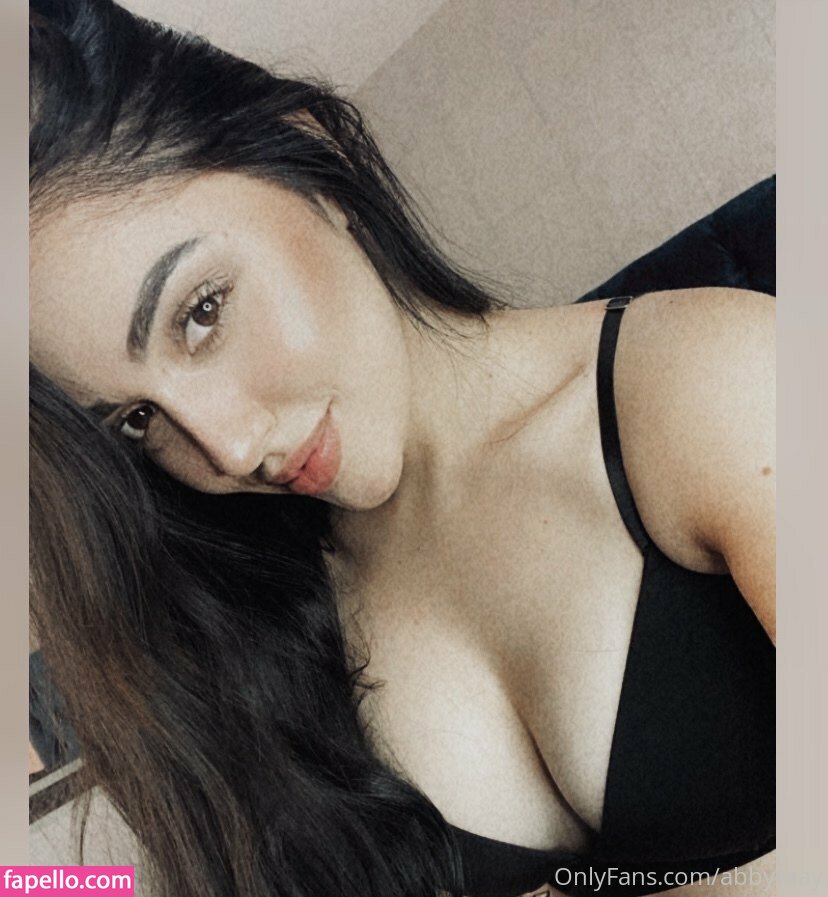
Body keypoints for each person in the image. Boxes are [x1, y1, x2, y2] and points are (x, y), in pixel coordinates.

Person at [28, 2, 776, 896]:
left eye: (202, 312)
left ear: (313, 165)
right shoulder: (255, 633)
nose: (228, 447)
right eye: (135, 420)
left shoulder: (713, 380)